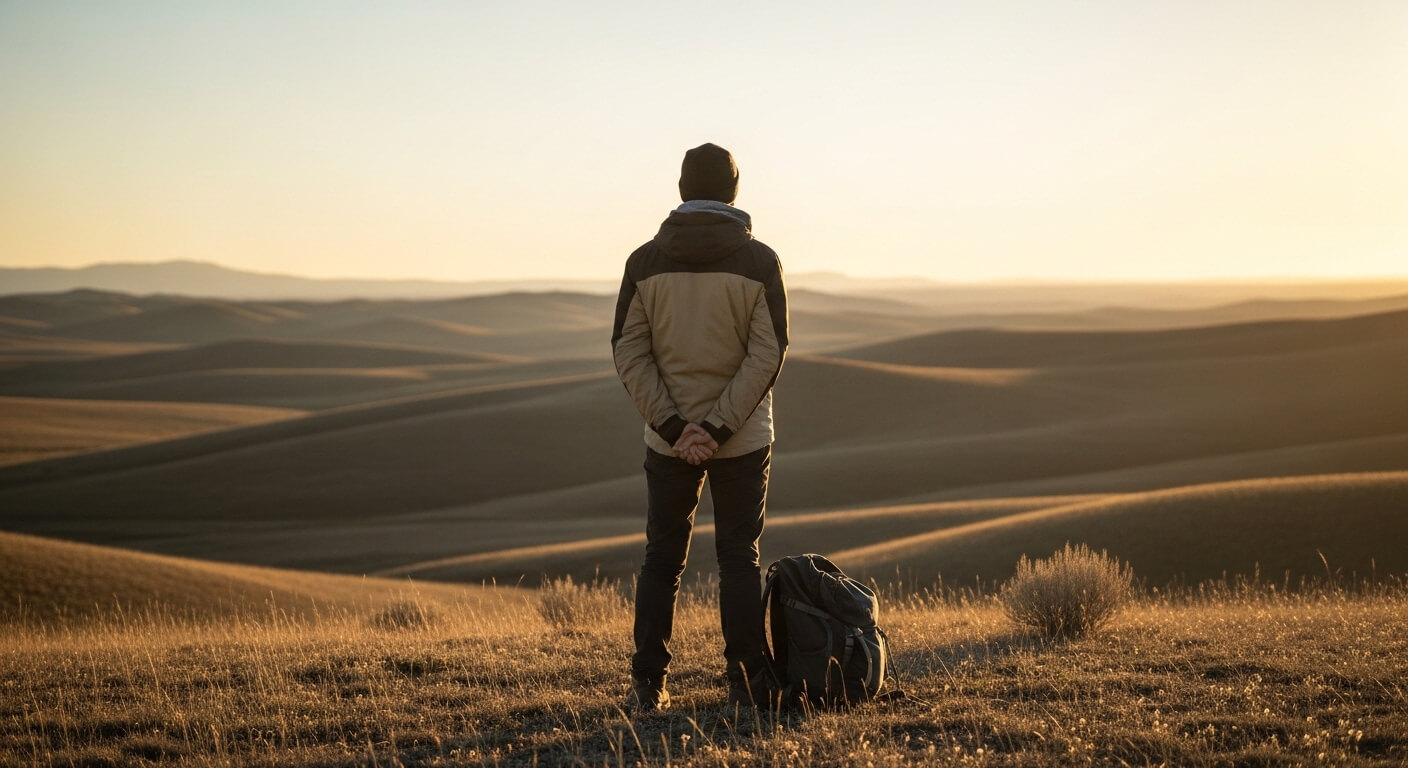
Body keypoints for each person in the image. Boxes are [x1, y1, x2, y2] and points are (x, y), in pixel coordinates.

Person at [611, 142, 788, 713]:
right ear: (734, 191)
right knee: (739, 558)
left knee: (662, 557)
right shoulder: (760, 261)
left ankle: (648, 683)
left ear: (682, 188)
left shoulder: (643, 261)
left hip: (667, 441)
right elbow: (769, 352)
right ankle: (746, 683)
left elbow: (627, 351)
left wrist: (673, 426)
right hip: (741, 437)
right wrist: (716, 427)